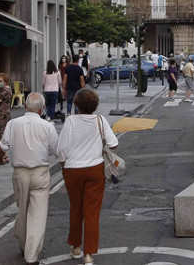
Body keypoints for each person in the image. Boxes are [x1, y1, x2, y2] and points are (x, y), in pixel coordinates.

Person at [57, 89, 118, 265]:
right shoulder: (100, 120)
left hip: (73, 169)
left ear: (76, 104)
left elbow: (61, 149)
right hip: (95, 168)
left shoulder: (70, 121)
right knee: (92, 212)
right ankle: (88, 254)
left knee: (75, 208)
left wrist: (63, 165)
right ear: (95, 105)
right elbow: (113, 144)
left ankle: (75, 246)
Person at [0, 93, 59, 265]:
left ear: (26, 106)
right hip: (40, 172)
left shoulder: (13, 123)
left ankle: (23, 242)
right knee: (37, 214)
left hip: (19, 173)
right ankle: (31, 255)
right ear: (41, 109)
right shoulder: (47, 126)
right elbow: (56, 150)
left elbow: (3, 145)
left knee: (22, 210)